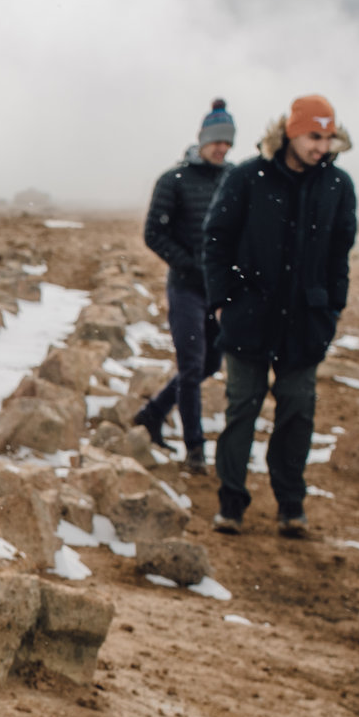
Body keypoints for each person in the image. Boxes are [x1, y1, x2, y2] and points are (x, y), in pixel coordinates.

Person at [199, 93, 357, 537]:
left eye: (328, 137)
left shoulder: (337, 187)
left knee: (297, 412)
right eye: (313, 136)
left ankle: (291, 507)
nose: (321, 147)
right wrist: (222, 301)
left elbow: (339, 255)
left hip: (305, 324)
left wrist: (331, 310)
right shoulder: (249, 178)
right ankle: (231, 504)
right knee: (241, 410)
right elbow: (217, 239)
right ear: (291, 131)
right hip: (249, 316)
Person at [135, 99, 235, 474]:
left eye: (228, 143)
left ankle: (153, 412)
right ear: (203, 139)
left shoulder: (234, 179)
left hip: (221, 290)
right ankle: (195, 449)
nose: (222, 148)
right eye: (217, 141)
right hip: (186, 287)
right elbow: (153, 232)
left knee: (211, 362)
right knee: (191, 365)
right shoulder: (174, 180)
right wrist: (190, 263)